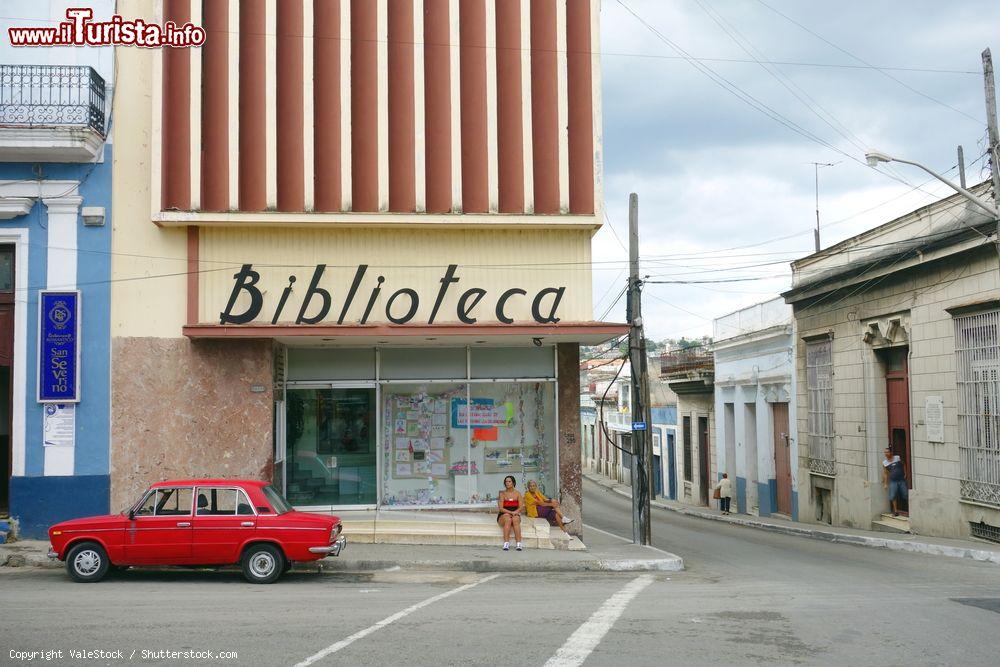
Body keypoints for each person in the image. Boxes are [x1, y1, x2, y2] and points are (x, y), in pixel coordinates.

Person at [497, 475, 524, 551]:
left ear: (513, 483)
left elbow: (521, 507)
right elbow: (501, 508)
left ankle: (519, 543)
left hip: (515, 513)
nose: (507, 483)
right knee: (508, 519)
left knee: (515, 519)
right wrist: (510, 512)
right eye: (506, 482)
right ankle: (506, 543)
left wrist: (515, 512)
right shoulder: (502, 494)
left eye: (509, 481)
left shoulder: (518, 493)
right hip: (504, 514)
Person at [882, 447, 908, 517]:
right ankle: (896, 511)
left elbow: (904, 464)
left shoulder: (897, 458)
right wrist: (885, 483)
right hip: (893, 481)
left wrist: (905, 473)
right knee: (893, 496)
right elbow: (885, 473)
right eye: (885, 452)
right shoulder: (885, 463)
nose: (886, 454)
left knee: (905, 494)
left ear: (891, 453)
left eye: (887, 452)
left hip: (901, 480)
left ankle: (909, 509)